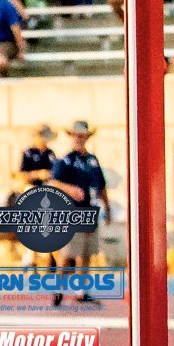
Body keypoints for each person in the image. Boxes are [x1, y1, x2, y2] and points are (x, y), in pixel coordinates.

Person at [50, 120, 112, 306]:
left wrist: (107, 208)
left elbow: (101, 186)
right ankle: (58, 290)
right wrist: (71, 190)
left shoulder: (92, 160)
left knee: (86, 253)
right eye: (76, 135)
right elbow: (54, 182)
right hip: (73, 212)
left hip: (90, 211)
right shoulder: (66, 160)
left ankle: (81, 291)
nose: (79, 139)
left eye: (82, 135)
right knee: (68, 253)